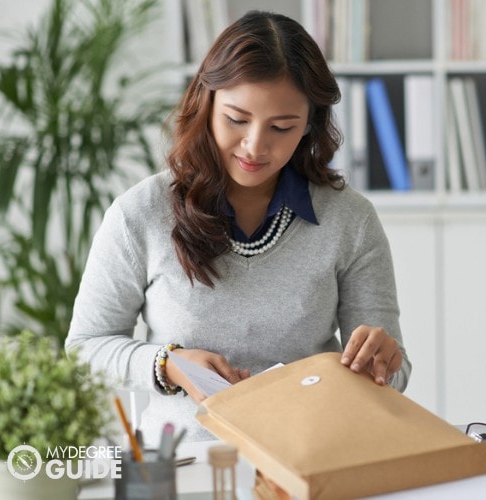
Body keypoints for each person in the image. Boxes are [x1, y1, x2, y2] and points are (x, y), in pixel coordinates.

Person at [65, 10, 411, 444]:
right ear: (206, 105)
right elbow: (85, 349)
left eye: (282, 127)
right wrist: (168, 364)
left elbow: (394, 377)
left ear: (309, 126)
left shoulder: (350, 219)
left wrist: (384, 361)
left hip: (309, 460)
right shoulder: (140, 213)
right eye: (237, 119)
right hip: (184, 463)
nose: (255, 146)